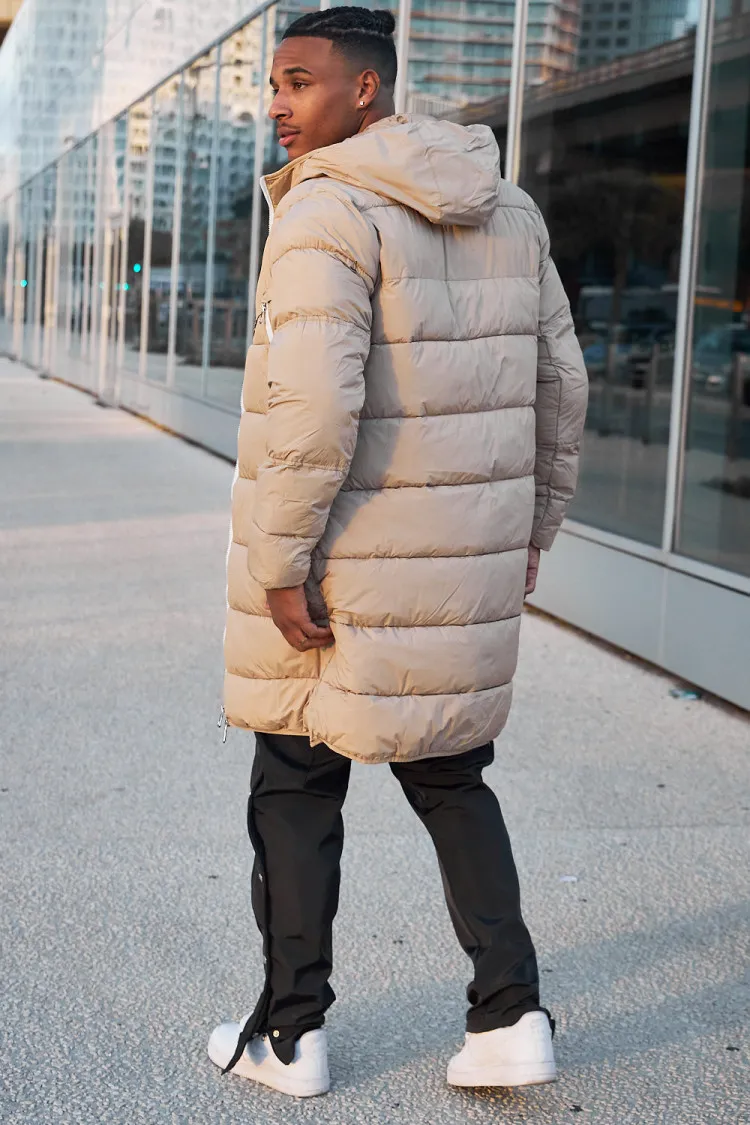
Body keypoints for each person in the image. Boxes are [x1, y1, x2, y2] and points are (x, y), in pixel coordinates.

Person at [210, 5, 588, 1099]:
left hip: (340, 569)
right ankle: (511, 1013)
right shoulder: (507, 205)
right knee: (452, 776)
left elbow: (312, 405)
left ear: (365, 90)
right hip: (454, 566)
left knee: (293, 778)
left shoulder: (326, 210)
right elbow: (561, 385)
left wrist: (281, 563)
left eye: (299, 81)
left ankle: (291, 1034)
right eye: (272, 83)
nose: (278, 104)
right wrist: (531, 534)